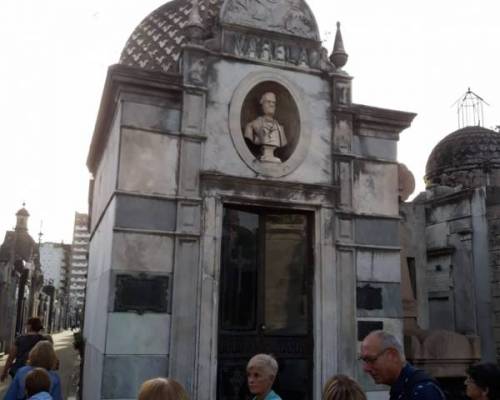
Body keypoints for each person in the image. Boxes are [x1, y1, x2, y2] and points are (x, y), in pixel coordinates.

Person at [360, 330, 445, 400]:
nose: (366, 368)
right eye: (364, 361)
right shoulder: (403, 387)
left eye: (371, 360)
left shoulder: (422, 391)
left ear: (392, 355)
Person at [244, 92, 287, 163]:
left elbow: (284, 142)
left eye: (274, 102)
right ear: (262, 104)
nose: (272, 105)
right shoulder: (251, 126)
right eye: (268, 102)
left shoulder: (280, 128)